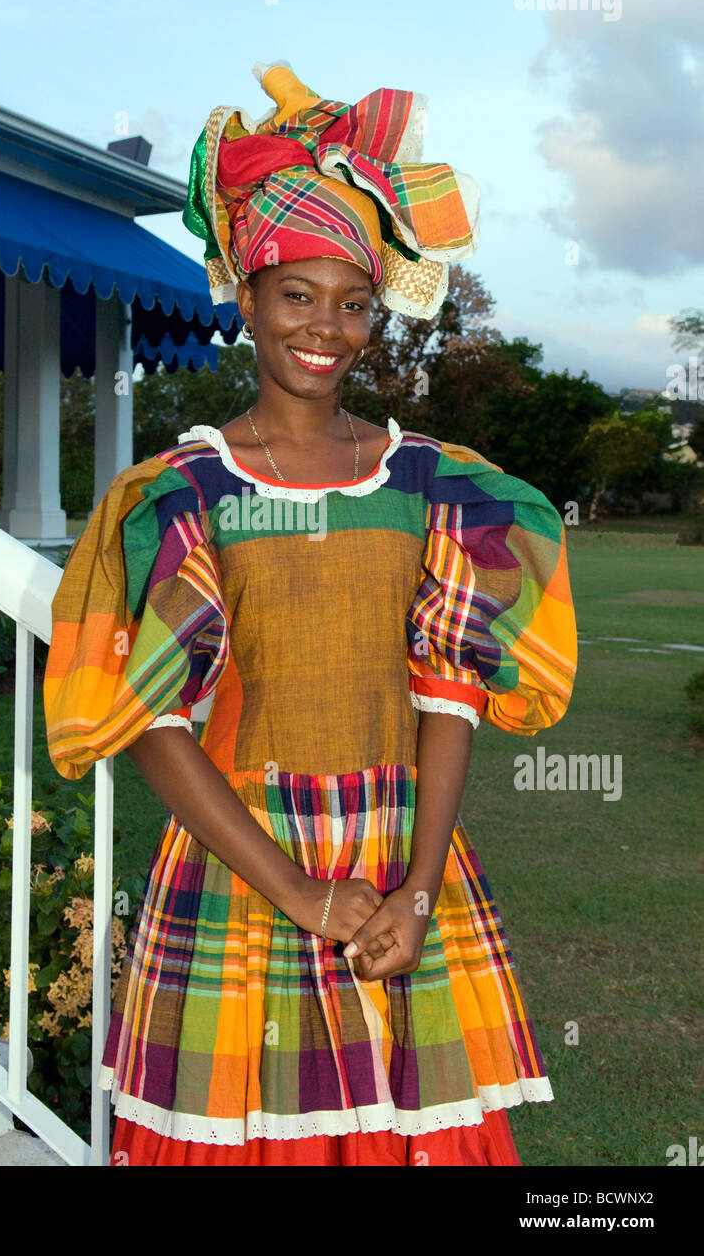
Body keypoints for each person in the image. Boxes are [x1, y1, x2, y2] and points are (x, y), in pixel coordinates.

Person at [43, 61, 577, 1167]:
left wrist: (416, 893)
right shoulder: (179, 493)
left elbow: (448, 692)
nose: (325, 326)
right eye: (296, 294)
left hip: (398, 872)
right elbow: (153, 723)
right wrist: (298, 892)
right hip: (246, 877)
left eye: (351, 300)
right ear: (245, 298)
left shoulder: (429, 483)